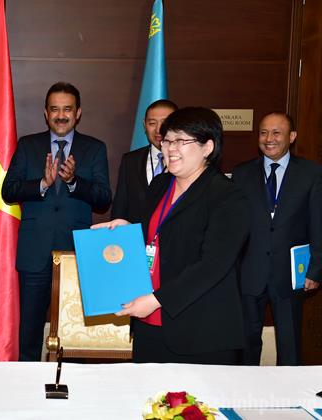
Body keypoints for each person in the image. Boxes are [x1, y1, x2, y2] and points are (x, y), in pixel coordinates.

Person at [93, 107, 250, 364]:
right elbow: (159, 236)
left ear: (208, 147)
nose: (170, 148)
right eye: (167, 140)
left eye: (181, 141)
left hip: (200, 330)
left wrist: (157, 300)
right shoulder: (159, 185)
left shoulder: (227, 196)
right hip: (149, 321)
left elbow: (213, 265)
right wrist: (128, 230)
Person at [2, 82, 111, 361]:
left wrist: (74, 182)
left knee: (72, 334)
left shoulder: (94, 148)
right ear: (45, 113)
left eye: (67, 109)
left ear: (78, 113)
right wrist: (42, 183)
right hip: (34, 252)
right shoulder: (28, 145)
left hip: (76, 254)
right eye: (55, 109)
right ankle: (27, 380)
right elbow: (8, 191)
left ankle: (69, 381)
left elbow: (103, 198)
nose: (61, 116)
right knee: (29, 333)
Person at [232, 112, 322, 366]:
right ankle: (243, 387)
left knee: (289, 343)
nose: (268, 138)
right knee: (246, 344)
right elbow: (234, 227)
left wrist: (315, 269)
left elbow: (318, 223)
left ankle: (290, 390)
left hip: (291, 274)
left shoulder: (312, 173)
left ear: (291, 137)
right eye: (263, 133)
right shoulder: (241, 173)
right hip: (249, 273)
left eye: (276, 133)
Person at [111, 99, 178, 223]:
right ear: (144, 125)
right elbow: (120, 208)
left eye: (165, 123)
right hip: (136, 234)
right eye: (152, 123)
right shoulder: (130, 160)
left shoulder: (186, 161)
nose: (158, 130)